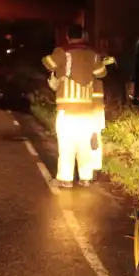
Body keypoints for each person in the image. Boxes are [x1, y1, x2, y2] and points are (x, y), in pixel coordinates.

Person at [43, 25, 106, 188]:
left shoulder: (63, 51)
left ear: (68, 36)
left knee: (66, 145)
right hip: (86, 110)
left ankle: (65, 179)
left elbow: (48, 63)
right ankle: (85, 178)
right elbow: (102, 73)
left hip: (67, 110)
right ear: (84, 36)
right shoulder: (92, 54)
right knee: (84, 145)